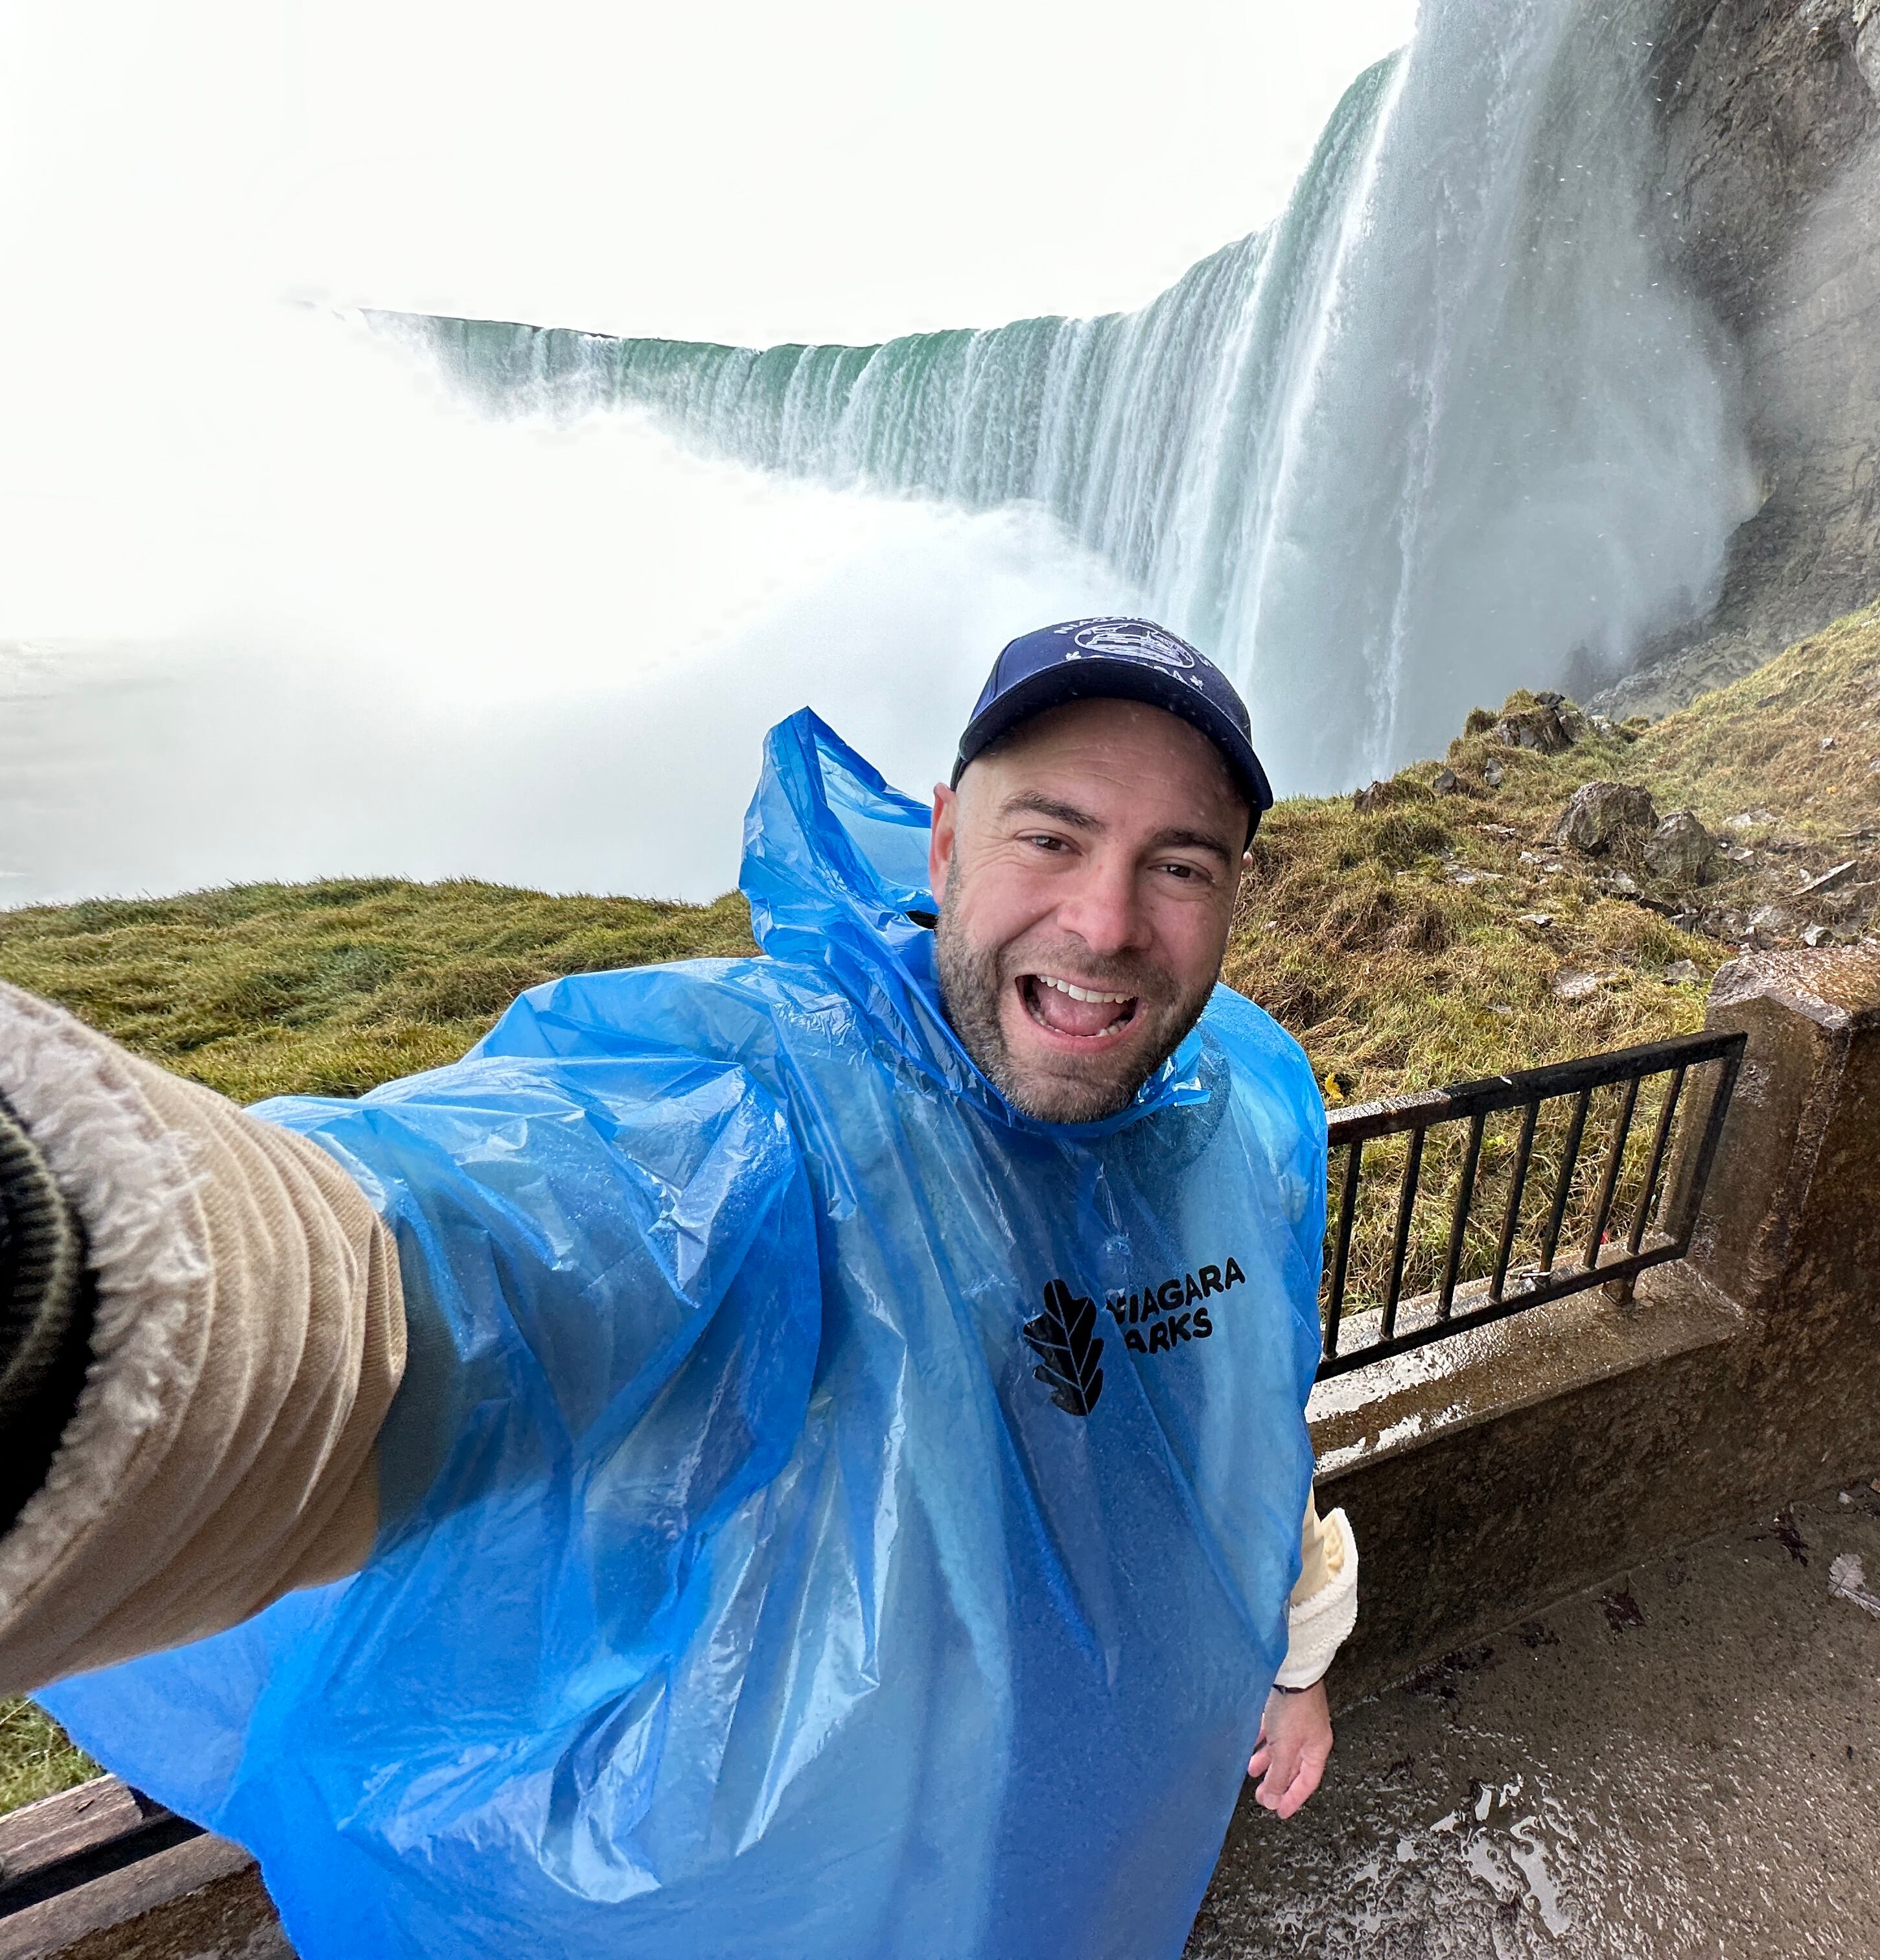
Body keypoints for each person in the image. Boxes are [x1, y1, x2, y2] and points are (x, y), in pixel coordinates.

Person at [0, 618, 1356, 1960]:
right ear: (943, 841)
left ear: (1235, 892)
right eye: (1050, 838)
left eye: (1177, 865)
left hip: (1104, 1865)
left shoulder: (1238, 1114)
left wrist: (1293, 1658)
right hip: (844, 1886)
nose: (1107, 921)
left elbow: (1241, 1415)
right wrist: (89, 1290)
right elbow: (461, 1263)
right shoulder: (766, 1119)